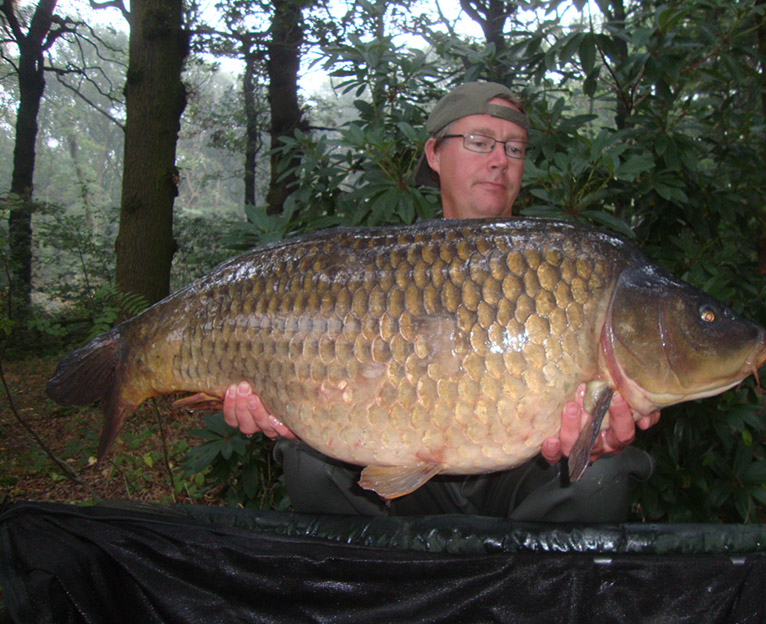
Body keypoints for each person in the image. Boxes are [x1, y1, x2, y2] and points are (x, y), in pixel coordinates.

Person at [222, 82, 659, 521]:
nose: (498, 160)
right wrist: (277, 405)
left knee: (603, 474)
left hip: (524, 475)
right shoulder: (381, 268)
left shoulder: (564, 266)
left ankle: (525, 588)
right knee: (309, 464)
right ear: (434, 153)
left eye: (514, 148)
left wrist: (595, 438)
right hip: (399, 472)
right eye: (479, 142)